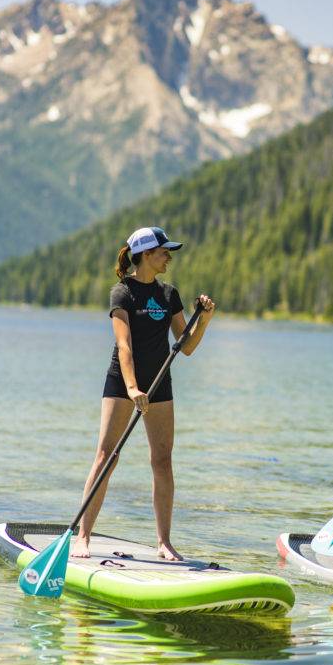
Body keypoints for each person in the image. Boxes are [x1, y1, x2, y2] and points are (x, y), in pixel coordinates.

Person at [71, 226, 215, 561]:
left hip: (159, 382)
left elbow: (186, 345)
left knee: (162, 461)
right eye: (164, 252)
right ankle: (83, 537)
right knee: (107, 456)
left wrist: (204, 320)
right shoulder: (122, 293)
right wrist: (133, 387)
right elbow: (124, 345)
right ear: (146, 255)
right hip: (124, 383)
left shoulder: (169, 294)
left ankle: (164, 543)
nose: (169, 257)